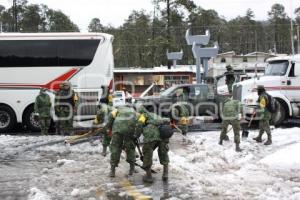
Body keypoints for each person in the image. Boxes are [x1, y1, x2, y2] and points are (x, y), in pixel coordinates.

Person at [135, 106, 170, 183]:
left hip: (151, 135)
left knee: (147, 154)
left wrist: (136, 135)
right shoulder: (155, 115)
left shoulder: (143, 115)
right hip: (162, 135)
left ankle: (149, 177)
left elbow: (139, 125)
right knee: (163, 153)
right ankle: (165, 174)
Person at [106, 105, 138, 177]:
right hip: (129, 130)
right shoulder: (134, 111)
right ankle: (132, 169)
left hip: (118, 129)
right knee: (130, 148)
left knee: (115, 148)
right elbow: (138, 122)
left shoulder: (117, 109)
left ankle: (112, 171)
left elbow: (110, 116)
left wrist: (109, 128)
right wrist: (135, 133)